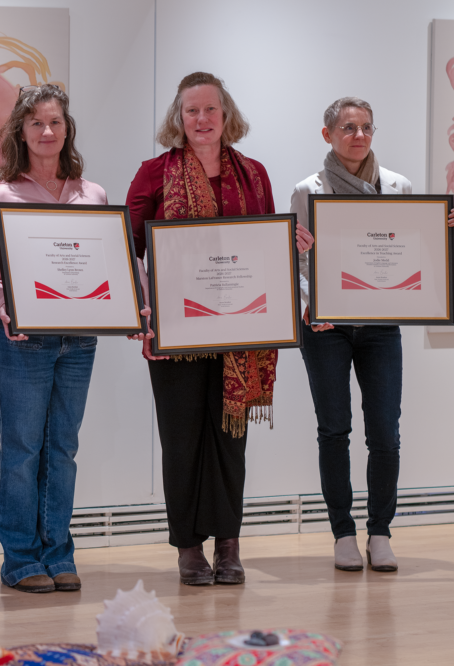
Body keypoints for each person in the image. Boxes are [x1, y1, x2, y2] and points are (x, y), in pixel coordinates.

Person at [127, 72, 313, 586]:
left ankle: (228, 544)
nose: (202, 120)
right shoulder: (154, 173)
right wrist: (141, 316)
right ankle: (189, 547)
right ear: (178, 117)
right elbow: (127, 249)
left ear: (226, 114)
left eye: (211, 110)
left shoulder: (254, 174)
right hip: (175, 333)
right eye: (192, 111)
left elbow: (260, 246)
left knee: (230, 440)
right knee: (182, 439)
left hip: (240, 332)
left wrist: (289, 240)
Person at [290, 97, 454, 573]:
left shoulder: (398, 185)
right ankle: (343, 533)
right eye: (348, 127)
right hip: (326, 327)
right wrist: (310, 303)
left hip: (381, 326)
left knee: (385, 433)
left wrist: (443, 229)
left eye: (366, 126)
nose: (359, 135)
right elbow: (299, 260)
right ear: (327, 134)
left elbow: (406, 249)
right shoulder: (308, 189)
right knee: (334, 430)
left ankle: (380, 532)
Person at [0, 84, 111, 593]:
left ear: (66, 128)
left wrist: (132, 300)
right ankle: (21, 559)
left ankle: (59, 552)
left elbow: (107, 266)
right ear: (21, 133)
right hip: (21, 339)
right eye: (36, 124)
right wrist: (7, 306)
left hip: (79, 340)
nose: (47, 132)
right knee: (23, 448)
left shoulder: (92, 195)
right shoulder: (1, 197)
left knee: (63, 449)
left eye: (54, 122)